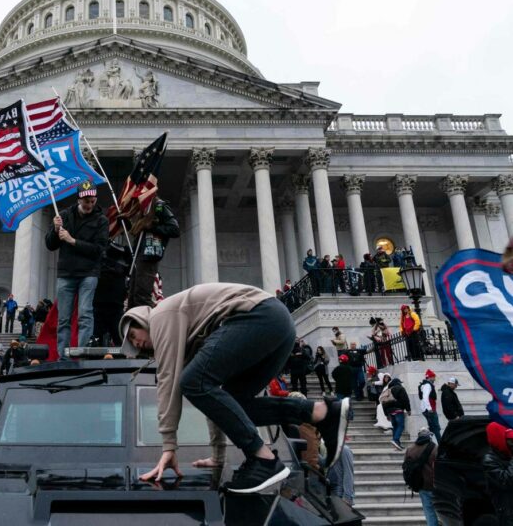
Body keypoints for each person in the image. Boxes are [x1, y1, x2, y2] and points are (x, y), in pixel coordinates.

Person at [119, 282, 350, 493]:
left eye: (133, 335)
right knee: (234, 402)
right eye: (133, 346)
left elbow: (168, 382)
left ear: (141, 320)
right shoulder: (188, 336)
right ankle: (321, 412)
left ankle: (264, 459)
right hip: (277, 325)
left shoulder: (161, 316)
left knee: (191, 381)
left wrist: (168, 446)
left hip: (259, 316)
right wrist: (218, 456)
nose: (136, 343)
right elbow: (216, 402)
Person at [45, 181, 109, 360]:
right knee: (63, 318)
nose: (89, 205)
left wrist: (73, 241)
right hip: (66, 273)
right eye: (86, 201)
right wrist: (56, 229)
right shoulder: (64, 216)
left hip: (88, 273)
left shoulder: (101, 220)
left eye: (92, 200)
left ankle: (83, 355)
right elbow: (50, 244)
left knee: (85, 314)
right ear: (79, 199)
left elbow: (99, 249)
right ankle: (63, 357)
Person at [127, 197, 180, 308]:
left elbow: (174, 229)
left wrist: (152, 227)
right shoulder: (142, 207)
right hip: (138, 256)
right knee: (132, 297)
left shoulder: (159, 206)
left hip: (149, 256)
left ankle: (146, 323)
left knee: (141, 297)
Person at [94, 241, 132, 346]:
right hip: (100, 303)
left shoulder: (126, 253)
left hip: (114, 304)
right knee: (97, 342)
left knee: (120, 341)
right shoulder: (99, 248)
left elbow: (132, 269)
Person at [403, 427, 439, 526]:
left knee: (428, 510)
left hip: (421, 485)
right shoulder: (435, 448)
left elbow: (405, 466)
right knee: (441, 510)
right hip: (435, 485)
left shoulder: (410, 449)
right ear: (429, 436)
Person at [483, 421, 513, 525]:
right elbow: (507, 480)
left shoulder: (507, 455)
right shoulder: (489, 460)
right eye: (509, 440)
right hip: (508, 513)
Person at [381, 376, 411, 451]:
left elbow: (383, 403)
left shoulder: (388, 390)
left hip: (390, 412)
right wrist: (408, 409)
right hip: (398, 410)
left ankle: (397, 445)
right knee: (401, 426)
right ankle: (395, 440)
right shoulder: (400, 389)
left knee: (395, 426)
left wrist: (386, 414)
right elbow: (405, 399)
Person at [419, 369, 442, 443]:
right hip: (430, 410)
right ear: (430, 377)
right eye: (434, 377)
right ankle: (441, 445)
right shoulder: (428, 385)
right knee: (436, 428)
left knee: (432, 428)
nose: (435, 379)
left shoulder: (424, 385)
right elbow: (425, 397)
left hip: (427, 410)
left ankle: (426, 443)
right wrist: (429, 408)